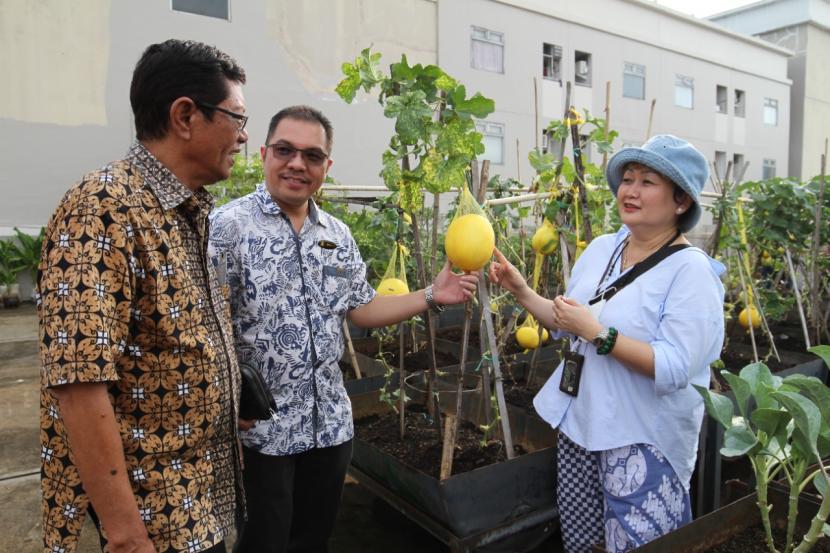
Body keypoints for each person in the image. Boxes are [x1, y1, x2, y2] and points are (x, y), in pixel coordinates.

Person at [208, 105, 478, 553]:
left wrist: (434, 294)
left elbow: (361, 307)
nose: (297, 163)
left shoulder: (335, 233)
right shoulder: (227, 229)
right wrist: (221, 396)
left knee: (313, 541)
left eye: (312, 156)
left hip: (331, 427)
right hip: (261, 433)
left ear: (326, 167)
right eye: (285, 150)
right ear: (263, 153)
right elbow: (205, 324)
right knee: (264, 544)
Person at [37, 39, 249, 553]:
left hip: (198, 497)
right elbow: (78, 383)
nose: (244, 137)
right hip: (154, 516)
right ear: (185, 116)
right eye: (237, 119)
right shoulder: (102, 208)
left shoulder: (186, 209)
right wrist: (127, 535)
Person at [489, 135, 725, 553]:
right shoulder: (604, 248)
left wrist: (598, 334)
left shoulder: (692, 272)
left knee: (637, 545)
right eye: (627, 179)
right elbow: (567, 323)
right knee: (583, 542)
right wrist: (523, 291)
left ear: (681, 202)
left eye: (647, 182)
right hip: (582, 425)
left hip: (641, 440)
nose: (630, 191)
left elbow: (673, 366)